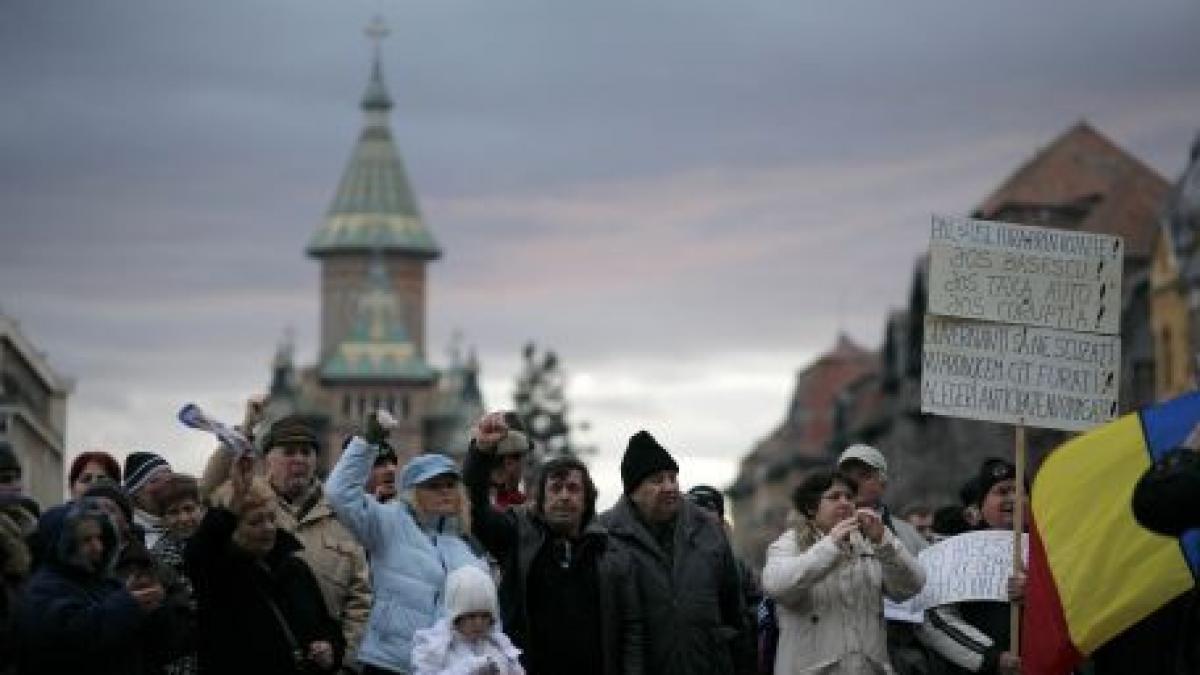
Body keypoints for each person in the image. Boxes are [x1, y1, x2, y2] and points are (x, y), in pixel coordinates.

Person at [463, 411, 643, 675]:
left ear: (587, 500)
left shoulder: (611, 554)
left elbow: (632, 628)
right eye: (556, 488)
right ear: (540, 500)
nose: (564, 496)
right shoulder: (516, 537)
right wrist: (480, 452)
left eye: (573, 488)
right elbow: (476, 507)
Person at [204, 413, 372, 671]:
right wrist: (244, 431)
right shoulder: (247, 500)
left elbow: (359, 601)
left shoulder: (342, 513)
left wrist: (346, 663)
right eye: (289, 452)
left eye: (306, 452)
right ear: (267, 458)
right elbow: (206, 493)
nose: (299, 460)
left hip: (327, 661)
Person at [326, 412, 486, 675]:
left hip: (449, 667)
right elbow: (338, 494)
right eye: (433, 486)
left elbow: (486, 610)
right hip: (390, 663)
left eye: (450, 485)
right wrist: (368, 442)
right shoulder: (390, 522)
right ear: (413, 491)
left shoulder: (465, 547)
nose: (445, 492)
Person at [600, 431, 753, 675]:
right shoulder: (606, 535)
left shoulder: (707, 530)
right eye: (657, 480)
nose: (670, 487)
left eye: (673, 478)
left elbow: (734, 612)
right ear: (634, 490)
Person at [188, 455, 344, 674]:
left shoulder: (294, 567)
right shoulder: (217, 573)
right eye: (255, 521)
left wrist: (330, 649)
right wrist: (235, 500)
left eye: (271, 518)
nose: (269, 528)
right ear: (231, 527)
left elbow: (327, 625)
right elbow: (199, 552)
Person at [762, 470, 924, 675]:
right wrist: (830, 546)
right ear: (811, 508)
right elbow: (776, 585)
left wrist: (884, 541)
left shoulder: (868, 543)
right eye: (834, 497)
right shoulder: (790, 543)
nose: (845, 502)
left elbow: (913, 586)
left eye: (849, 497)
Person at [13, 498, 167, 674]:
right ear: (62, 544)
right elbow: (72, 636)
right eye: (86, 540)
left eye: (99, 537)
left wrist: (151, 607)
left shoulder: (104, 582)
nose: (98, 547)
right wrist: (127, 605)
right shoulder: (42, 589)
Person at [918, 459, 1024, 675]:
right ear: (981, 504)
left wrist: (1037, 594)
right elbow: (935, 618)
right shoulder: (958, 548)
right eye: (1002, 491)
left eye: (1020, 491)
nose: (1012, 498)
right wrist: (992, 658)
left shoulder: (1049, 548)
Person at [836, 445, 930, 674]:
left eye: (865, 476)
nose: (855, 483)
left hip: (904, 649)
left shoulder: (910, 535)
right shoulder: (826, 534)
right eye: (848, 477)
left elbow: (930, 595)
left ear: (883, 483)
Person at [687, 484, 762, 668]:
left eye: (708, 508)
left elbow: (756, 605)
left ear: (720, 519)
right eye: (695, 508)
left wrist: (735, 630)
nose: (701, 514)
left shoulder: (737, 566)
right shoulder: (671, 563)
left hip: (730, 657)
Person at [412, 565, 524, 675]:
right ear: (456, 616)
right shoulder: (435, 646)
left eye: (485, 616)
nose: (479, 623)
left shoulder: (500, 644)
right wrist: (468, 668)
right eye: (471, 616)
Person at [151, 474, 204, 675]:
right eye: (173, 512)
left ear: (201, 508)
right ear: (163, 519)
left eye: (189, 509)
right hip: (182, 663)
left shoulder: (220, 548)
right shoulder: (157, 562)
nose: (183, 518)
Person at [124, 451, 174, 548]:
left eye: (169, 480)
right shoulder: (127, 534)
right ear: (135, 493)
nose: (164, 486)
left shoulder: (186, 523)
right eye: (154, 481)